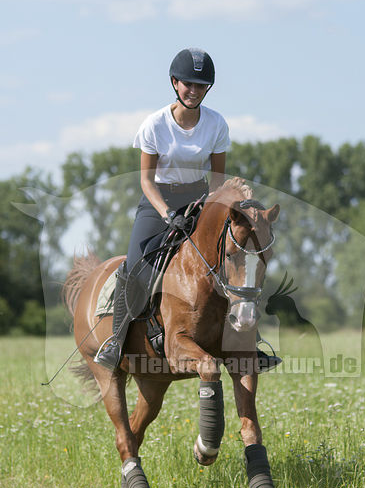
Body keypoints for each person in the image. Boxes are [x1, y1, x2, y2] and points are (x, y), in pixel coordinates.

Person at [95, 47, 280, 373]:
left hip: (200, 200)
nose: (193, 91)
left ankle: (252, 343)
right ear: (174, 83)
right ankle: (116, 340)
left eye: (200, 86)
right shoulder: (154, 125)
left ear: (207, 88)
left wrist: (208, 211)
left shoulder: (216, 124)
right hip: (158, 203)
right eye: (187, 85)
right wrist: (168, 214)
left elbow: (219, 181)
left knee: (233, 260)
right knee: (136, 265)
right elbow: (147, 182)